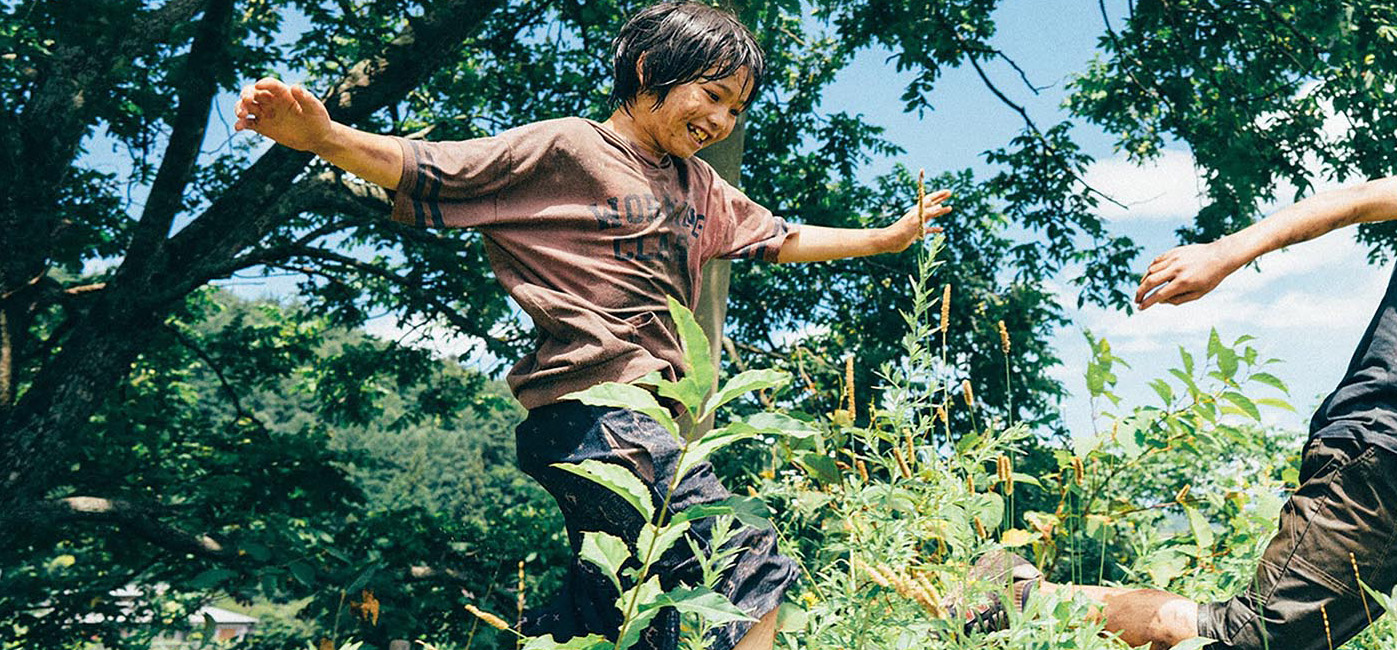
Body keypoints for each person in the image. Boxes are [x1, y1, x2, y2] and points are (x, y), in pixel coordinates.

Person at [234, 2, 952, 648]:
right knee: (743, 558)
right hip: (596, 413)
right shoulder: (569, 149)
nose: (722, 121)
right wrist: (324, 136)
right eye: (712, 95)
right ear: (648, 72)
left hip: (646, 424)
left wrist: (885, 239)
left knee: (625, 617)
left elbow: (780, 237)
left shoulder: (698, 184)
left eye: (737, 109)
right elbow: (431, 167)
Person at [954, 55, 1397, 650]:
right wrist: (1224, 252)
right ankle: (1019, 597)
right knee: (1252, 637)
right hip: (1378, 457)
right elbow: (1360, 202)